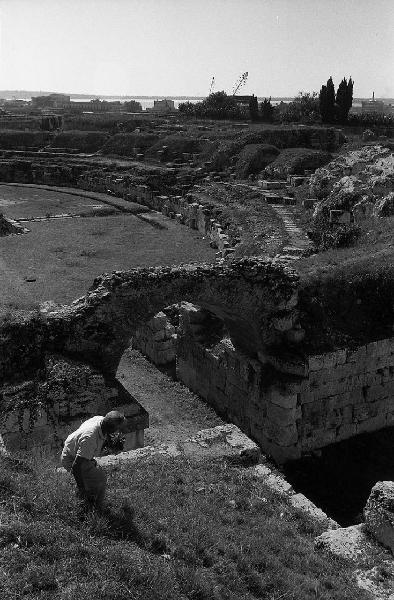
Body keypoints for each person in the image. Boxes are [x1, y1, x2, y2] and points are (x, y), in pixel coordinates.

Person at [60, 411, 127, 509]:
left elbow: (104, 435)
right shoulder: (90, 439)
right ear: (111, 428)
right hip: (71, 459)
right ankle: (95, 507)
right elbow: (77, 466)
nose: (118, 431)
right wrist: (81, 487)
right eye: (117, 429)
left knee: (94, 478)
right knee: (100, 480)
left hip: (76, 452)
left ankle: (86, 500)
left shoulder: (100, 420)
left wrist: (112, 443)